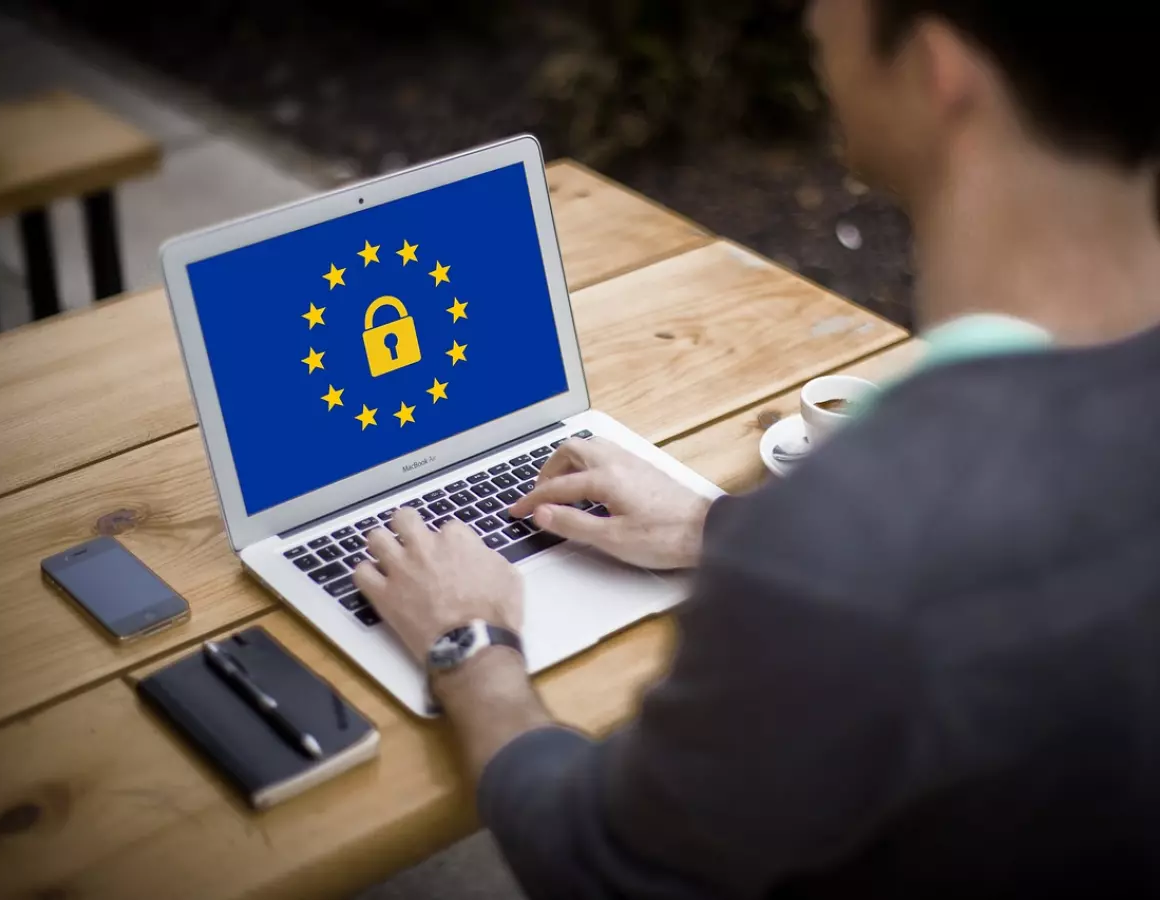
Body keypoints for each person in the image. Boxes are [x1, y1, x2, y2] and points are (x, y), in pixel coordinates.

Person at [353, 1, 1160, 896]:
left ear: (941, 71)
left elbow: (598, 865)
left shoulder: (860, 536)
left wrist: (473, 646)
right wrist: (715, 525)